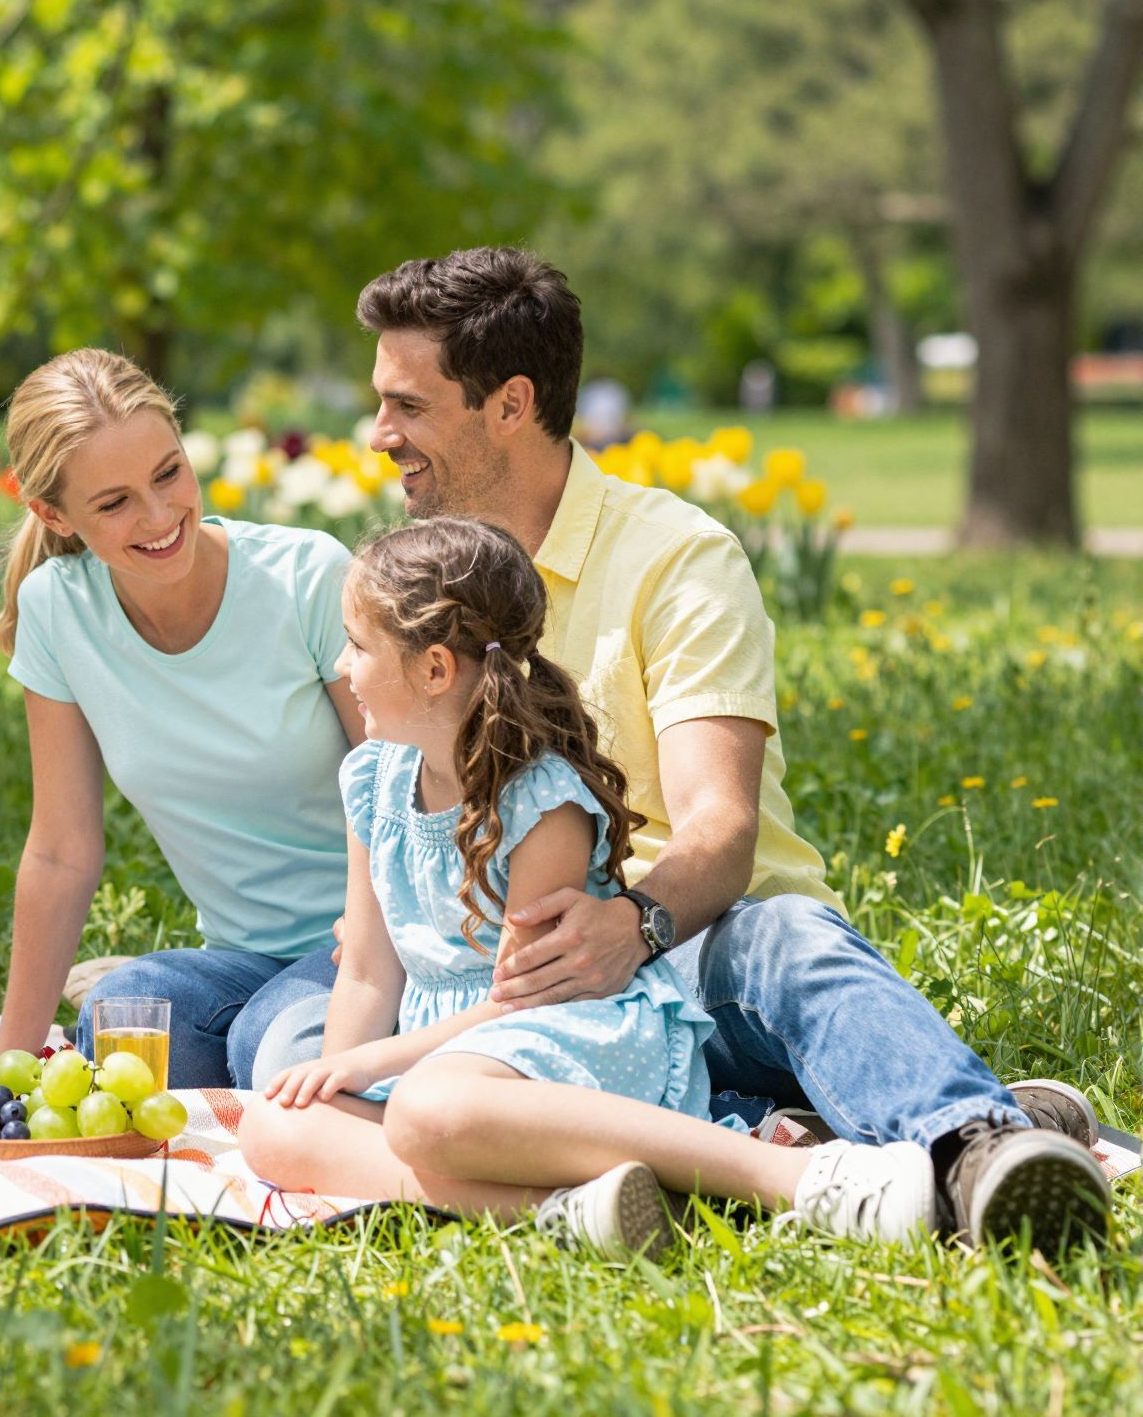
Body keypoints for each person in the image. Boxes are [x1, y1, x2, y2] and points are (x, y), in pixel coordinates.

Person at [253, 247, 1110, 1251]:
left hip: (696, 948)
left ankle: (976, 1152)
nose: (378, 435)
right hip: (500, 998)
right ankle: (727, 1156)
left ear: (508, 403)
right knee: (275, 1048)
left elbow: (720, 825)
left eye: (406, 406)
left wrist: (635, 925)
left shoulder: (673, 558)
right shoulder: (418, 588)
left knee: (788, 940)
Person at [240, 518, 937, 1256]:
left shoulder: (539, 802)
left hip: (561, 1036)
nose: (344, 668)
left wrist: (377, 1064)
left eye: (358, 644)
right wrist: (334, 1080)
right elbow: (369, 970)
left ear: (435, 669)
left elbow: (518, 997)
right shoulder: (373, 780)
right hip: (442, 1062)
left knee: (426, 1110)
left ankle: (803, 1179)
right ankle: (565, 1211)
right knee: (273, 1126)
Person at [0, 348, 364, 1084]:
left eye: (169, 473)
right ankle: (268, 1034)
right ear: (53, 515)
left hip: (377, 940)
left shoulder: (307, 578)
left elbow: (402, 790)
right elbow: (62, 850)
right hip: (242, 959)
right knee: (117, 1023)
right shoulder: (58, 612)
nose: (160, 516)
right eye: (114, 502)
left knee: (271, 1050)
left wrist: (373, 962)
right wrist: (10, 1060)